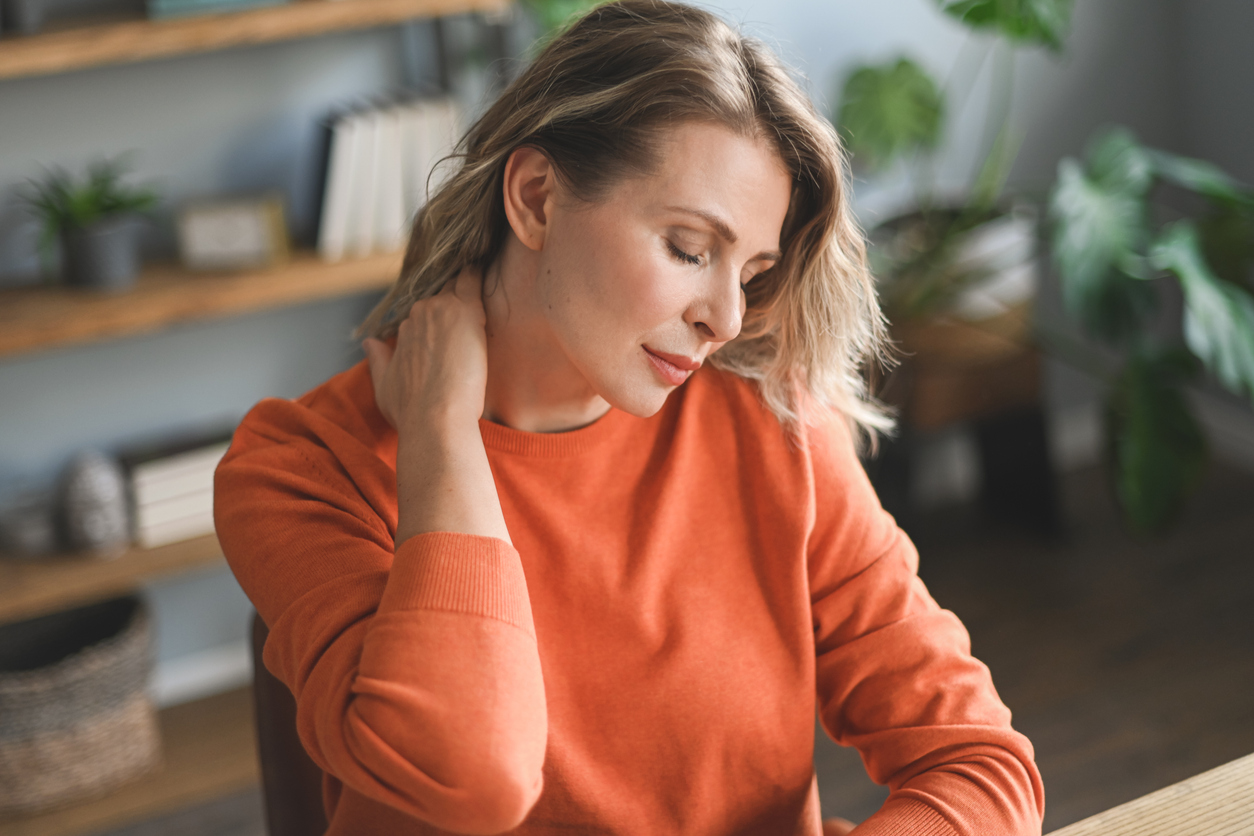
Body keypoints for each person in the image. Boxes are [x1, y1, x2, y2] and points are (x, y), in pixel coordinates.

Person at [214, 2, 1045, 834]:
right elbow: (469, 777)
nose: (724, 316)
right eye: (688, 249)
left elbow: (980, 764)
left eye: (751, 272)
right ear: (536, 198)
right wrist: (441, 439)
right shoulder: (301, 467)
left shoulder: (775, 423)